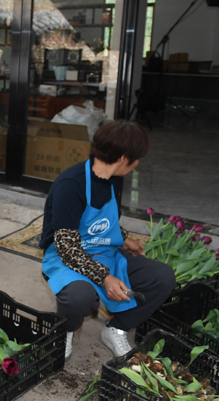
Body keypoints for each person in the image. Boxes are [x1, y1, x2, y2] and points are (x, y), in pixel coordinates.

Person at [39, 120, 175, 360]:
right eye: (136, 158)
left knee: (162, 277)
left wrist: (124, 240)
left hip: (105, 253)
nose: (137, 163)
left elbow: (102, 220)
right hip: (66, 257)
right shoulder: (71, 185)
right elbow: (68, 248)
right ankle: (67, 330)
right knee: (79, 296)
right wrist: (105, 278)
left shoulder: (112, 179)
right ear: (124, 158)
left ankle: (117, 328)